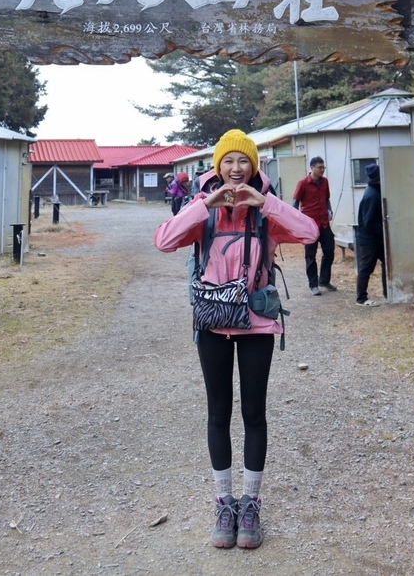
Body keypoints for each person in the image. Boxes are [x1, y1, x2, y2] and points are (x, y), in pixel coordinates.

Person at [154, 129, 318, 550]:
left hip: (257, 323)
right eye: (227, 161)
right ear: (217, 166)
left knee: (254, 414)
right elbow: (165, 241)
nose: (235, 169)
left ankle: (251, 504)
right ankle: (223, 502)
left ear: (254, 166)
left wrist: (266, 202)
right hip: (212, 322)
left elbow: (310, 233)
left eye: (243, 161)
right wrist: (204, 204)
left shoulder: (265, 212)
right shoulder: (203, 208)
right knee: (217, 413)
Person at [293, 156, 336, 295]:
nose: (322, 170)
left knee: (329, 251)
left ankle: (324, 280)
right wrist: (297, 221)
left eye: (323, 167)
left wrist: (330, 210)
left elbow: (327, 199)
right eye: (320, 167)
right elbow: (295, 203)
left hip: (324, 223)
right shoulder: (303, 183)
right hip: (309, 225)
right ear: (312, 168)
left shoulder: (325, 182)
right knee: (310, 255)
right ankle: (313, 285)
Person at [355, 163, 386, 307]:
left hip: (375, 238)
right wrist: (383, 229)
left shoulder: (375, 191)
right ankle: (361, 298)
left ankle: (388, 293)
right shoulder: (372, 195)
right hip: (369, 239)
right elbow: (368, 222)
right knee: (366, 268)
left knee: (387, 263)